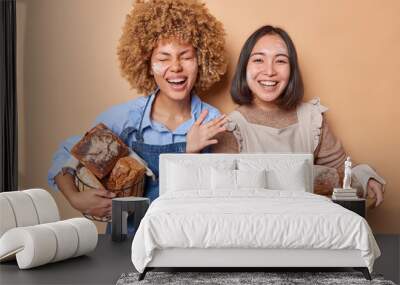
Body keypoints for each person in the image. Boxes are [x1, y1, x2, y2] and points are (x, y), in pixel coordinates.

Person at [48, 0, 228, 220]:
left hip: (189, 237)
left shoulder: (213, 122)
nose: (176, 67)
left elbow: (219, 200)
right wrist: (76, 199)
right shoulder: (126, 119)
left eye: (186, 56)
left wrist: (189, 154)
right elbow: (67, 153)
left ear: (201, 61)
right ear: (147, 65)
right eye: (163, 58)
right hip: (129, 241)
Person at [212, 25, 385, 207]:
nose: (269, 71)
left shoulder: (312, 119)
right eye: (258, 60)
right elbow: (227, 196)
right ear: (244, 68)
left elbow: (342, 169)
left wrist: (366, 178)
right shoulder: (230, 127)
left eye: (280, 61)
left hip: (312, 225)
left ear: (292, 70)